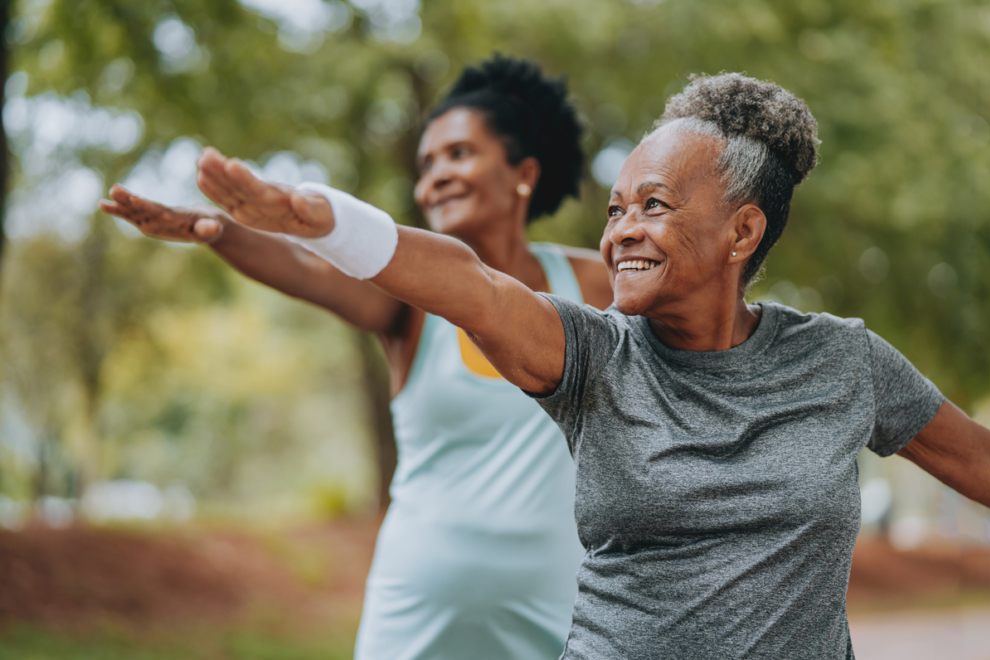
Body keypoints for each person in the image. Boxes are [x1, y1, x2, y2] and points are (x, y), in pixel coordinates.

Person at [166, 71, 990, 659]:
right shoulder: (590, 354)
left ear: (743, 231)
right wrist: (320, 220)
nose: (620, 232)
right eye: (615, 209)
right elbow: (469, 284)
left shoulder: (842, 361)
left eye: (653, 206)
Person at [102, 56, 613, 660]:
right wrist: (223, 230)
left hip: (559, 612)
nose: (435, 178)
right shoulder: (411, 306)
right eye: (426, 165)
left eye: (458, 154)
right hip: (415, 615)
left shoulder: (593, 285)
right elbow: (306, 269)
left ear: (523, 173)